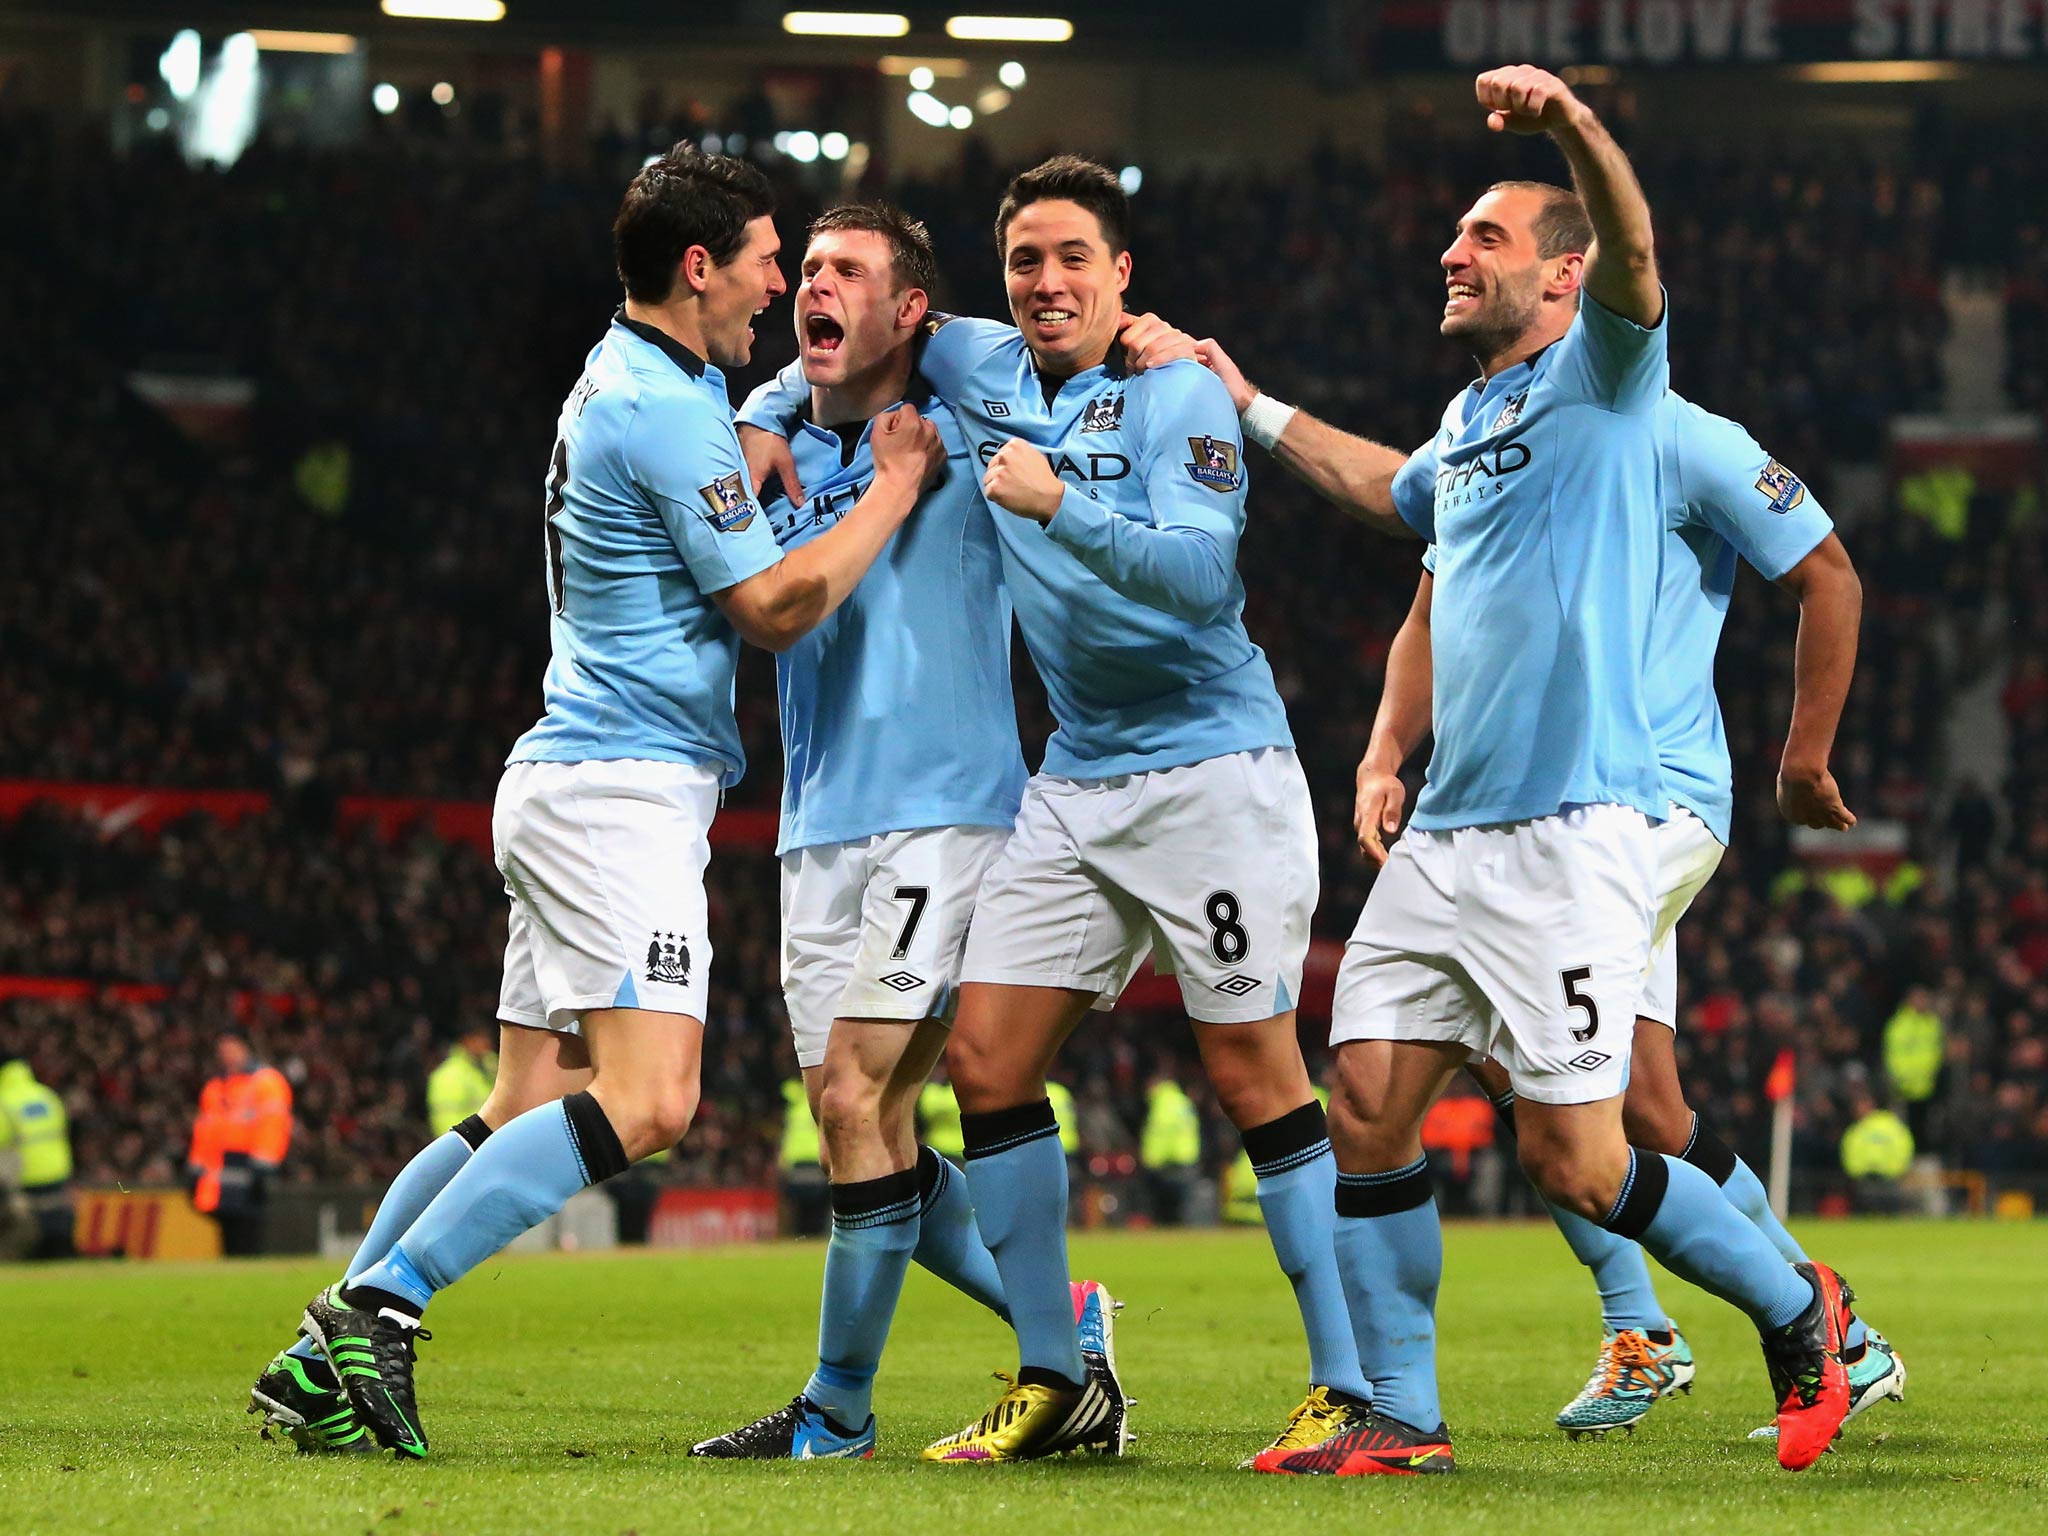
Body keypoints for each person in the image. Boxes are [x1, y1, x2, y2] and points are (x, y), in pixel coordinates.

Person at [1186, 68, 1855, 1475]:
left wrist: (1573, 131)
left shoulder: (1612, 380)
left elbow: (1639, 249)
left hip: (1575, 831)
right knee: (1366, 1103)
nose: (1452, 251)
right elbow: (1390, 493)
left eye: (1484, 237)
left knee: (1581, 1162)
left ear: (1566, 276)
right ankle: (1403, 1416)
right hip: (1449, 837)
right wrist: (1251, 407)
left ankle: (1800, 1306)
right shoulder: (1476, 424)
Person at [260, 144, 944, 1462]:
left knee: (521, 1110)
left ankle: (316, 1354)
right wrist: (898, 489)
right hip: (621, 794)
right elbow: (779, 606)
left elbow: (720, 468)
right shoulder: (662, 410)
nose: (775, 284)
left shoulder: (646, 381)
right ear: (700, 269)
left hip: (568, 773)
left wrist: (759, 446)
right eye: (761, 259)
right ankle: (377, 1310)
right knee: (649, 1104)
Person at [738, 154, 1366, 1466]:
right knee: (985, 1064)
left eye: (1074, 256)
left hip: (1213, 769)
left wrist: (1060, 502)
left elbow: (1199, 581)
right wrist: (759, 408)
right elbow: (850, 341)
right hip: (1077, 775)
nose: (1047, 282)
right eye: (1026, 259)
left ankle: (1350, 1386)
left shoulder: (1173, 393)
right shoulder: (975, 366)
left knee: (1254, 1071)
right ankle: (1057, 1378)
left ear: (1121, 273)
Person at [1296, 387, 1898, 1441]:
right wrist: (1388, 750)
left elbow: (1826, 570)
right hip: (1517, 811)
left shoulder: (1688, 435)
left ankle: (1660, 1324)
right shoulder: (1500, 441)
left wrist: (1804, 753)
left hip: (1650, 799)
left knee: (1503, 1056)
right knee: (1650, 1113)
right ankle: (1830, 1332)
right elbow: (1419, 576)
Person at [694, 204, 1119, 1462]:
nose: (811, 287)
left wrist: (1144, 351)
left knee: (854, 1087)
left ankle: (837, 1411)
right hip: (816, 824)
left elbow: (1057, 348)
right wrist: (766, 411)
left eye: (843, 273)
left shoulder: (963, 399)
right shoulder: (774, 440)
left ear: (911, 310)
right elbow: (786, 382)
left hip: (947, 814)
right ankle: (1062, 1325)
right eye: (805, 269)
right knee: (856, 1121)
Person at [188, 1034, 292, 1257]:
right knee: (228, 1233)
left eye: (232, 1049)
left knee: (248, 1231)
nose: (227, 1056)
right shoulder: (215, 1087)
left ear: (246, 1048)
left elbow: (273, 1124)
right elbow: (204, 1131)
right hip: (219, 1175)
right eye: (223, 1051)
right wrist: (195, 1169)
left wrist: (264, 1165)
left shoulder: (265, 1082)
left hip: (249, 1167)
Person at [0, 1057, 75, 1260]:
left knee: (22, 1227)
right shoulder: (47, 1096)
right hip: (57, 1173)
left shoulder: (4, 1101)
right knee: (54, 1226)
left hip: (24, 1178)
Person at [1140, 1072, 1202, 1226]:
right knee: (1185, 1208)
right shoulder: (1183, 1102)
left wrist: (1151, 1160)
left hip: (1169, 1163)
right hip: (1188, 1157)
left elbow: (1162, 1135)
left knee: (1164, 1209)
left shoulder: (1162, 1104)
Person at [425, 1027, 496, 1138]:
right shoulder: (448, 1075)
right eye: (481, 1039)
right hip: (470, 1143)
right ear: (466, 1040)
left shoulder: (491, 1064)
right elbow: (445, 1120)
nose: (487, 1044)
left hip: (493, 1138)